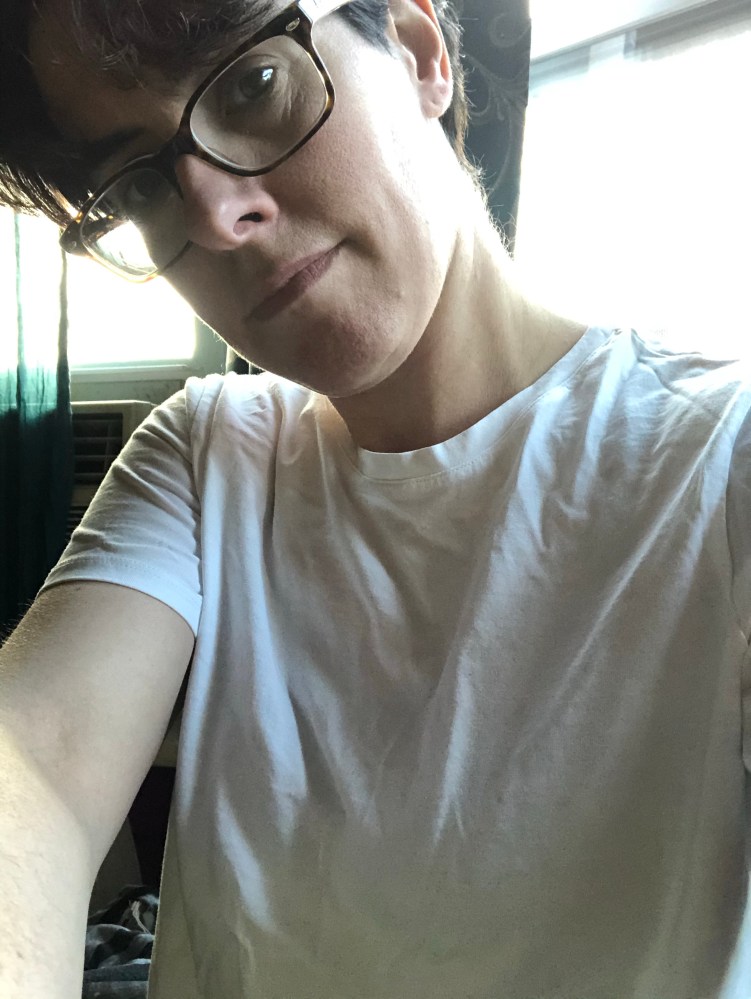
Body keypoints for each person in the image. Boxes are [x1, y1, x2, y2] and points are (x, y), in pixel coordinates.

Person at [1, 0, 751, 996]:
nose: (215, 218)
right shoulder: (207, 451)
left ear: (417, 49)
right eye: (142, 184)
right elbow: (35, 760)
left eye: (253, 85)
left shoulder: (719, 456)